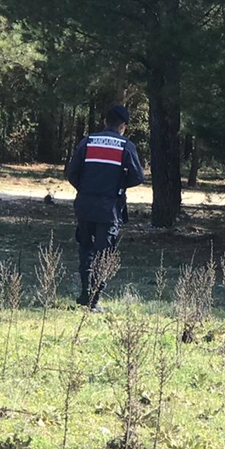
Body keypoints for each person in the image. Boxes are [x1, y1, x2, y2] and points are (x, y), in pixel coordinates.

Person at [65, 104, 144, 312]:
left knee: (85, 248)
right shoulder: (126, 146)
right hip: (109, 208)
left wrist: (85, 188)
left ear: (105, 122)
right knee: (104, 253)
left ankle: (84, 291)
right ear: (123, 126)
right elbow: (138, 176)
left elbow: (71, 172)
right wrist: (118, 184)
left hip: (85, 205)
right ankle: (95, 299)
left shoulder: (87, 142)